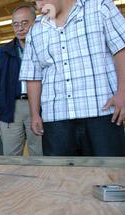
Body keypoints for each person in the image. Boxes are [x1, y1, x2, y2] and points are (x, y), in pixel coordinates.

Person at [20, 0, 125, 156]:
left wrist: (122, 93)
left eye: (41, 0)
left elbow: (121, 49)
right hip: (56, 121)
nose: (39, 7)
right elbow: (33, 76)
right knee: (60, 177)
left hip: (102, 116)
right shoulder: (35, 31)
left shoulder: (100, 7)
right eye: (35, 2)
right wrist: (35, 113)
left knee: (109, 176)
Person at [0, 4, 42, 156]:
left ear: (35, 23)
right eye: (16, 24)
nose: (20, 28)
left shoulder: (44, 48)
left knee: (40, 153)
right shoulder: (3, 53)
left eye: (24, 23)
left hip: (39, 107)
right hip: (10, 108)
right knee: (11, 155)